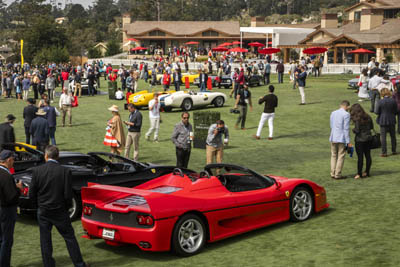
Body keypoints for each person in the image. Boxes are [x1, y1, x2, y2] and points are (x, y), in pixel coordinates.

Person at [29, 146, 87, 267]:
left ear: (46, 156)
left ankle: (48, 265)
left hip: (44, 210)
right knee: (70, 238)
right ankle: (79, 264)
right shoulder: (64, 171)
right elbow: (68, 194)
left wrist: (38, 207)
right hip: (59, 210)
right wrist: (65, 208)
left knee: (45, 240)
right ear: (58, 156)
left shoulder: (37, 171)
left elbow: (32, 194)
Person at [0, 150, 23, 267]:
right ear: (8, 160)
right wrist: (18, 188)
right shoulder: (6, 175)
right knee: (7, 240)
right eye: (13, 159)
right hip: (6, 211)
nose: (13, 162)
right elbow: (11, 197)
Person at [350, 103, 374, 179]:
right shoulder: (368, 116)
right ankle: (367, 172)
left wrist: (353, 130)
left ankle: (359, 173)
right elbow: (371, 127)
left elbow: (357, 130)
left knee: (360, 157)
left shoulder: (357, 119)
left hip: (360, 140)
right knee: (368, 156)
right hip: (368, 138)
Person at [330, 100, 351, 179]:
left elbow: (331, 125)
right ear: (347, 106)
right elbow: (346, 128)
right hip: (341, 137)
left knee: (333, 155)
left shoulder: (333, 113)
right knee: (341, 156)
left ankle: (332, 172)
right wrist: (348, 141)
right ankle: (337, 174)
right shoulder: (346, 114)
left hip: (333, 136)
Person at [376, 88, 397, 157]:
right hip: (392, 120)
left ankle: (384, 152)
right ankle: (394, 150)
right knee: (393, 136)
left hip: (383, 120)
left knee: (383, 137)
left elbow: (377, 112)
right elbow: (396, 111)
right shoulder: (393, 101)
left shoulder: (380, 101)